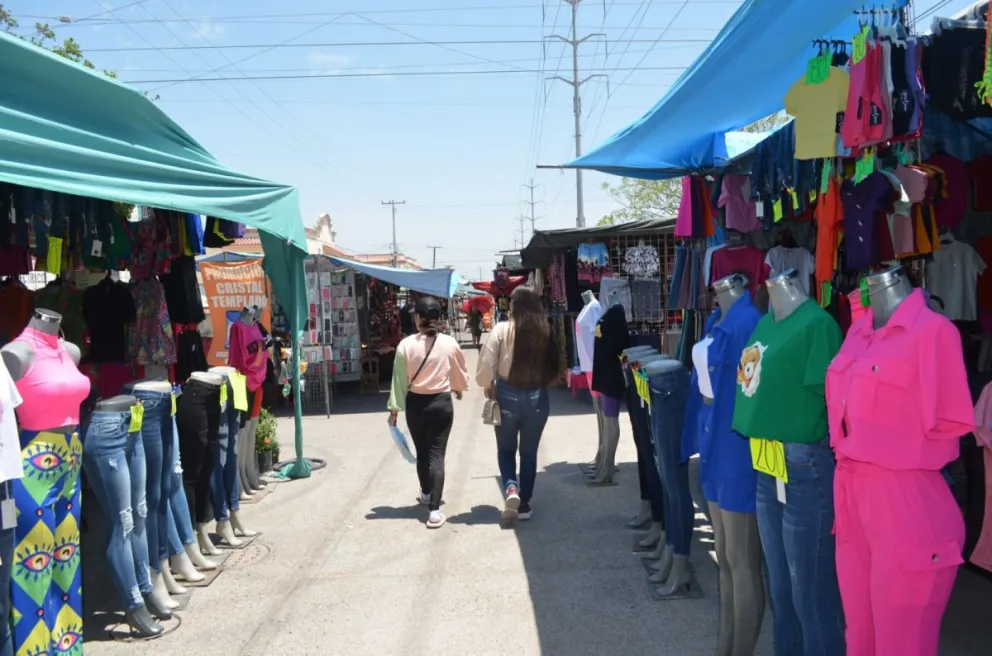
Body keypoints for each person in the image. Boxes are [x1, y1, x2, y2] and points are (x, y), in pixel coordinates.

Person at [476, 286, 561, 521]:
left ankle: (511, 488)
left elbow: (486, 363)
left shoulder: (502, 329)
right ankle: (524, 504)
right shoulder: (545, 330)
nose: (509, 304)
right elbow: (555, 365)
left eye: (511, 300)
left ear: (516, 304)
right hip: (537, 396)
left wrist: (486, 384)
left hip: (507, 393)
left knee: (505, 448)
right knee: (529, 452)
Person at [388, 296, 469, 529]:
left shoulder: (405, 345)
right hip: (442, 404)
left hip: (415, 405)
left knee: (422, 452)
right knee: (437, 455)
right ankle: (434, 510)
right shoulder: (449, 343)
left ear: (418, 319)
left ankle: (425, 493)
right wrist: (458, 389)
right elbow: (460, 370)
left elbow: (398, 382)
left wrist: (394, 410)